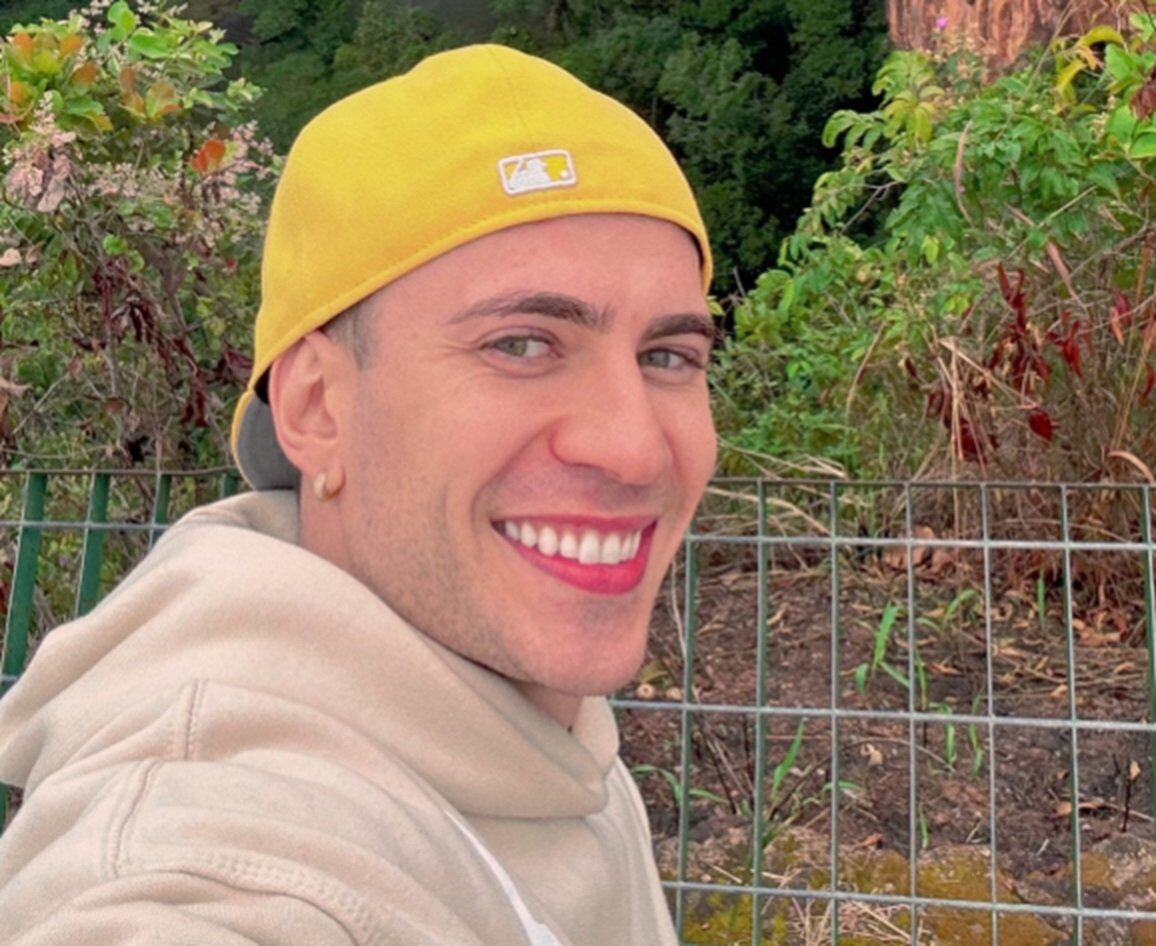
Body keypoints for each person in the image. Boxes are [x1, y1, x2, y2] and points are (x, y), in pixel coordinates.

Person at [0, 44, 717, 945]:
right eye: (521, 345)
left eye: (668, 357)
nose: (634, 448)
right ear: (316, 408)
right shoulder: (206, 845)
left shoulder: (545, 728)